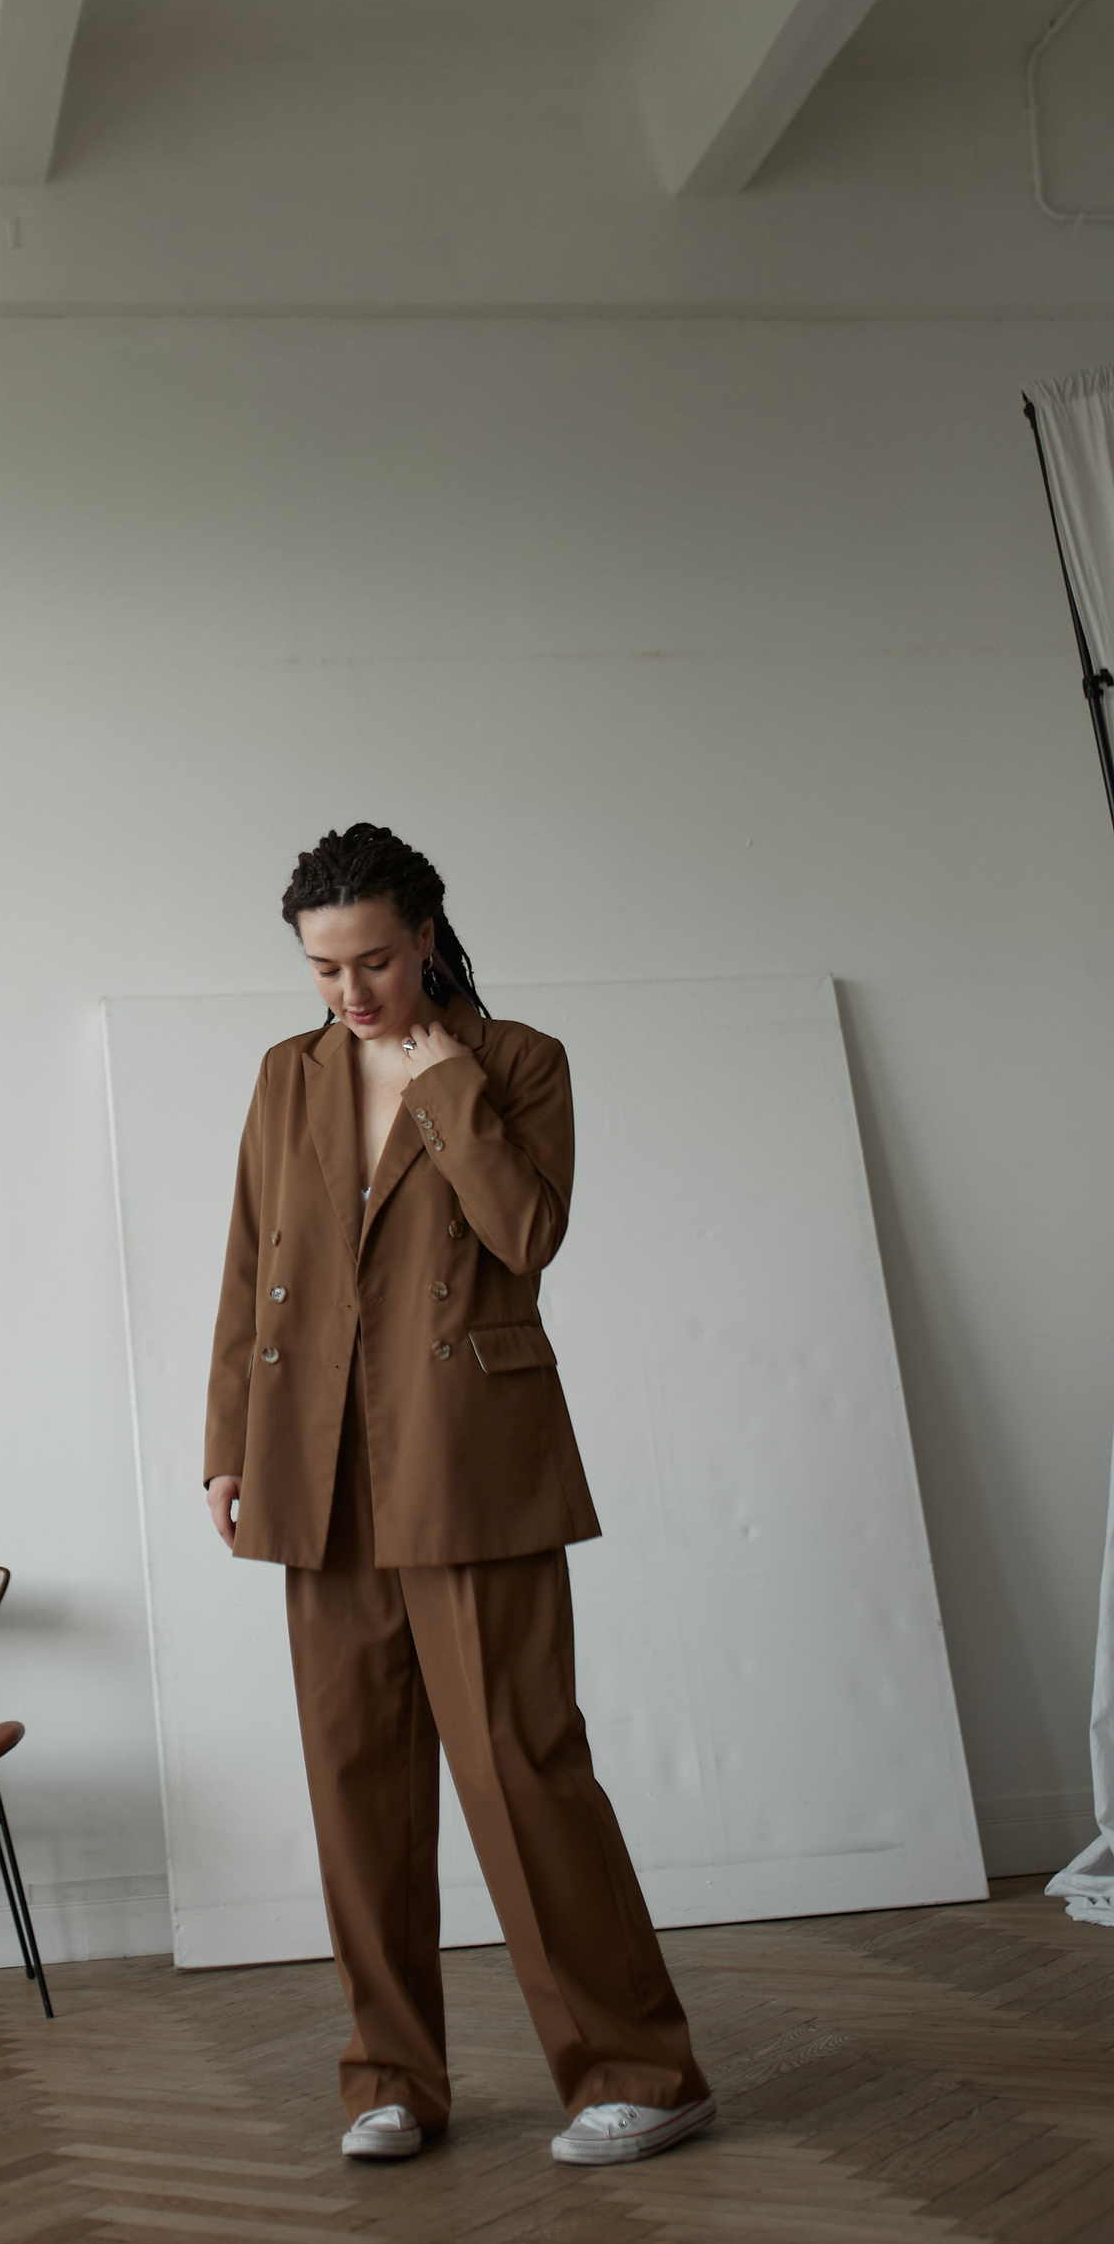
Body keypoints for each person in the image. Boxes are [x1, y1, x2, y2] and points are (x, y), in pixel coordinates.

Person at [204, 821, 714, 2168]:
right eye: (324, 970)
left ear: (426, 936)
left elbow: (526, 1236)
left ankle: (641, 2073)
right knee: (354, 1781)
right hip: (317, 1462)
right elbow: (251, 1259)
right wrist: (229, 1443)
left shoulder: (518, 1062)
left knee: (519, 1766)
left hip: (469, 1456)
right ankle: (389, 2078)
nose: (350, 993)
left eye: (372, 961)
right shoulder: (288, 1075)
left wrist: (444, 1087)